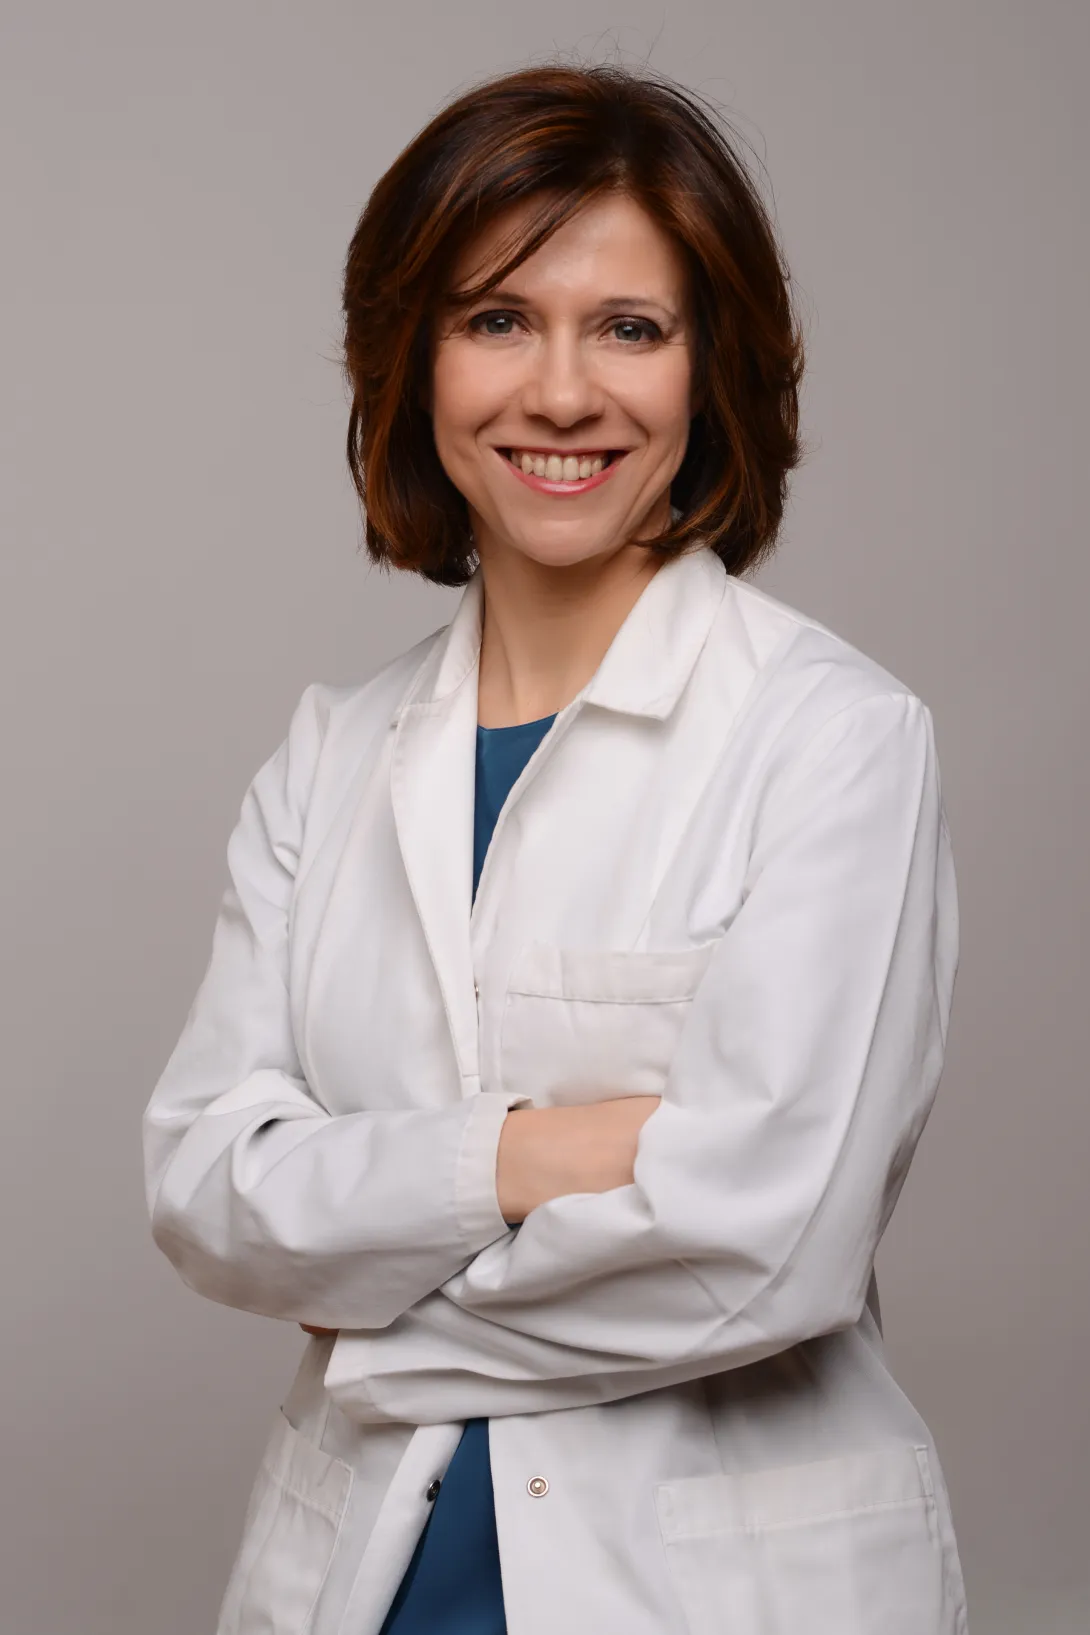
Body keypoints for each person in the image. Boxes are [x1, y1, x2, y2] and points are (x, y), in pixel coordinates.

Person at [143, 61, 969, 1635]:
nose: (563, 394)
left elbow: (768, 1245)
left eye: (630, 328)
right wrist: (526, 1156)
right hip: (366, 1585)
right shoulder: (330, 754)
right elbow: (204, 1185)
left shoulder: (831, 737)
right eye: (497, 319)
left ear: (712, 367)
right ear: (412, 358)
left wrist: (365, 1307)